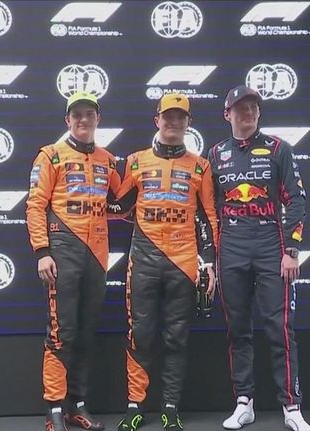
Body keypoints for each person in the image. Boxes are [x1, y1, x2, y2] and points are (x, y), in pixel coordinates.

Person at [207, 86, 310, 431]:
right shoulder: (215, 154)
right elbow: (209, 209)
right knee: (238, 329)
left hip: (271, 245)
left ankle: (292, 407)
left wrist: (292, 251)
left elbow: (296, 200)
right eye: (241, 108)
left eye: (253, 107)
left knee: (279, 328)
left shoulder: (279, 149)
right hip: (231, 247)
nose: (249, 113)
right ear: (227, 114)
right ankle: (244, 402)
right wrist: (210, 257)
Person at [109, 93, 219, 431]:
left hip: (183, 263)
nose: (173, 122)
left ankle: (170, 407)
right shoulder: (136, 161)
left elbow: (209, 216)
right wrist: (86, 195)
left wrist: (209, 262)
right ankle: (135, 406)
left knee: (176, 337)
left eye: (180, 117)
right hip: (143, 260)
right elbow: (120, 206)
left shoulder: (200, 165)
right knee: (140, 335)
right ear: (157, 120)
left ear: (188, 123)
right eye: (168, 116)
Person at [26, 91, 122, 431]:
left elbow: (123, 201)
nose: (83, 120)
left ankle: (77, 404)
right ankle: (54, 408)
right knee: (61, 332)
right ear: (68, 120)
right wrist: (42, 251)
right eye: (77, 114)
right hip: (62, 251)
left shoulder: (108, 160)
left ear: (98, 119)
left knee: (85, 331)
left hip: (97, 255)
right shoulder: (50, 155)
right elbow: (35, 205)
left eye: (89, 114)